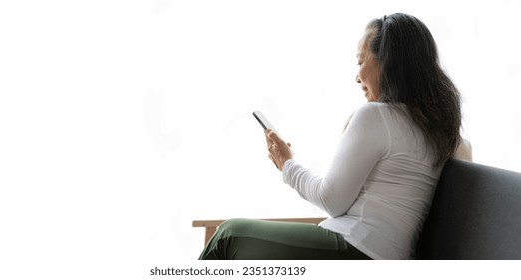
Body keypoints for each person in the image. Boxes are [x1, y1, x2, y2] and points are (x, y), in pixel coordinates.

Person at [199, 13, 471, 260]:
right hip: (385, 253)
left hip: (358, 248)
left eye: (361, 61)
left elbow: (332, 201)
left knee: (228, 235)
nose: (357, 76)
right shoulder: (447, 135)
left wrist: (286, 163)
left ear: (387, 63)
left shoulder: (376, 116)